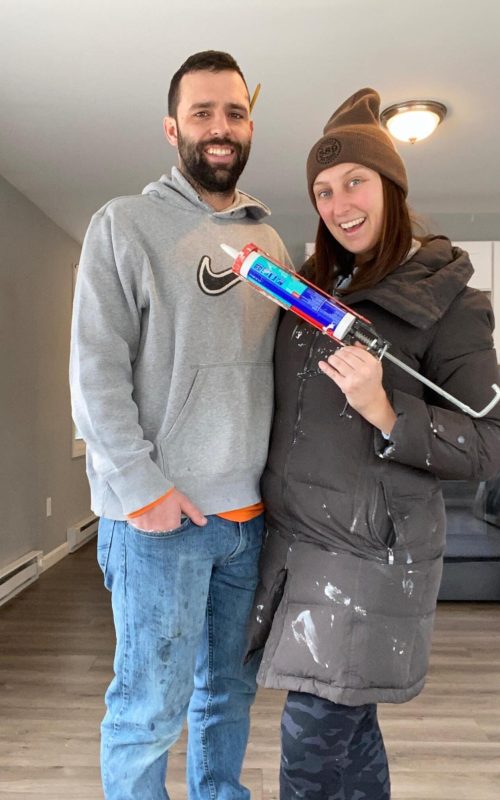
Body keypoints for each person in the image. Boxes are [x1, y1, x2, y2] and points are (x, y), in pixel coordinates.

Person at [245, 87, 500, 799]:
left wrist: (389, 411)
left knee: (313, 733)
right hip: (293, 546)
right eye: (323, 189)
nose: (338, 202)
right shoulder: (314, 289)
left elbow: (491, 442)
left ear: (392, 186)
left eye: (355, 180)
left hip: (369, 553)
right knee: (348, 732)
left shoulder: (451, 301)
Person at [69, 50, 289, 800]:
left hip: (249, 522)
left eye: (234, 112)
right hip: (160, 523)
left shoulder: (273, 243)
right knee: (148, 713)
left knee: (229, 696)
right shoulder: (123, 225)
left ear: (249, 125)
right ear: (173, 128)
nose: (220, 128)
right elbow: (95, 373)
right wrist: (142, 491)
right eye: (202, 113)